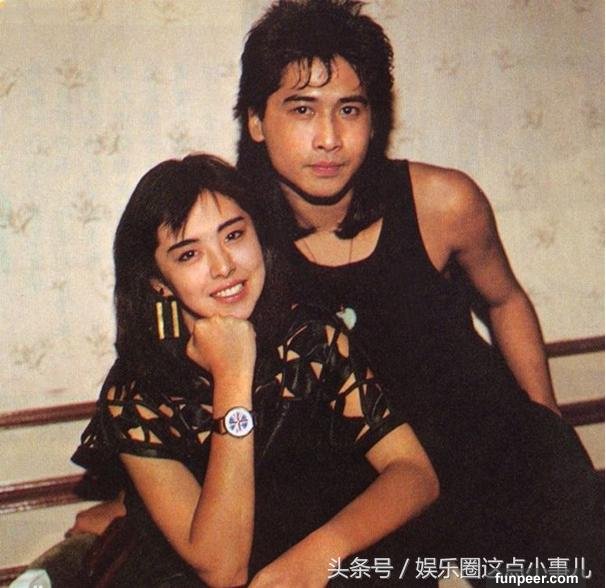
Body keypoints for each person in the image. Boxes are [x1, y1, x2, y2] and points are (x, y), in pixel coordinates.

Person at [232, 0, 603, 580]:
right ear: (257, 120)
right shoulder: (236, 244)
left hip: (492, 463)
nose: (329, 138)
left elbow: (505, 300)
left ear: (374, 118)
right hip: (369, 501)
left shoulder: (443, 202)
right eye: (302, 109)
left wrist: (545, 429)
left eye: (349, 109)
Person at [68, 153, 439, 587]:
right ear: (158, 282)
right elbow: (224, 569)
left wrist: (319, 554)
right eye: (189, 254)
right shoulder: (136, 395)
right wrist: (232, 377)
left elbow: (415, 473)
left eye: (234, 235)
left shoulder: (311, 340)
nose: (224, 265)